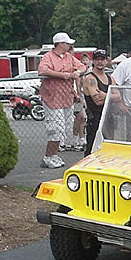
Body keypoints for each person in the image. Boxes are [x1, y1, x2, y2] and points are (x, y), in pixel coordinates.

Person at [38, 32, 86, 168]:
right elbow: (42, 71)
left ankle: (53, 155)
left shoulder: (69, 57)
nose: (69, 46)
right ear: (60, 44)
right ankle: (48, 156)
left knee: (65, 127)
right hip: (52, 98)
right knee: (55, 128)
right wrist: (62, 75)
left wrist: (78, 72)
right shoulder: (48, 57)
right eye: (67, 43)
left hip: (66, 98)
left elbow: (82, 66)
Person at [83, 49, 119, 156]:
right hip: (95, 119)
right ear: (93, 61)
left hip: (109, 118)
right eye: (97, 59)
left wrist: (105, 95)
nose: (100, 62)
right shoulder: (90, 79)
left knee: (108, 148)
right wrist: (110, 96)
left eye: (102, 59)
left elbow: (119, 97)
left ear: (106, 61)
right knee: (92, 149)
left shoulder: (110, 78)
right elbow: (97, 101)